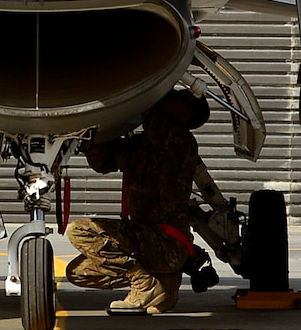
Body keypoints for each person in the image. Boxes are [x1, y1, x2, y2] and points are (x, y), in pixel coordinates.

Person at [63, 88, 233, 314]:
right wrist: (87, 135)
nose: (170, 96)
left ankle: (143, 283)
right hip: (150, 242)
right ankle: (161, 286)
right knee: (78, 271)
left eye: (179, 98)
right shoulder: (146, 145)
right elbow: (103, 162)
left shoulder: (179, 141)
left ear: (185, 115)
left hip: (165, 241)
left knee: (79, 231)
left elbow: (151, 111)